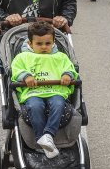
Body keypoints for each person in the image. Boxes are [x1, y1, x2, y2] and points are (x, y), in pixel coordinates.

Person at [11, 21, 77, 159]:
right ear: (30, 44)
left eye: (48, 43)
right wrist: (26, 76)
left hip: (55, 91)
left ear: (54, 42)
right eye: (39, 44)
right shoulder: (23, 57)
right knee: (35, 106)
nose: (44, 47)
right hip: (33, 92)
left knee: (59, 104)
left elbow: (70, 68)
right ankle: (42, 139)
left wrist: (67, 75)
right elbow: (16, 71)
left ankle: (47, 136)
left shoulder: (60, 57)